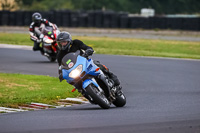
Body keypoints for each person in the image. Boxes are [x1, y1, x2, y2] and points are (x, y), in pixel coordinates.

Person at [56, 31, 121, 88]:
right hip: (75, 70)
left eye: (64, 42)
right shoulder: (60, 55)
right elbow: (61, 67)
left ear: (69, 40)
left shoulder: (76, 43)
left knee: (97, 64)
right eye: (60, 43)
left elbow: (86, 47)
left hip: (85, 62)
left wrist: (88, 50)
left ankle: (112, 76)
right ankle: (84, 92)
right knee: (74, 83)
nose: (62, 44)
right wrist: (61, 74)